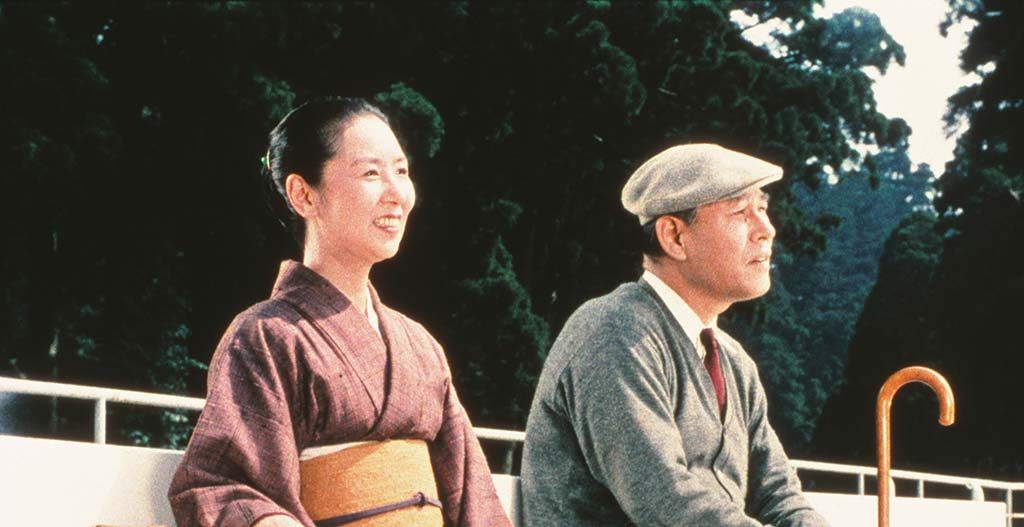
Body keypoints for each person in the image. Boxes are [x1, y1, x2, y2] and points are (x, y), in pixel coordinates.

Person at [168, 97, 510, 527]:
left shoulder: (422, 347)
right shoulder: (266, 336)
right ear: (303, 194)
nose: (396, 194)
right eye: (371, 173)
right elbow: (219, 483)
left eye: (401, 171)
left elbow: (474, 498)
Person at [520, 144, 829, 526]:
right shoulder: (613, 334)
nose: (766, 229)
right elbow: (663, 499)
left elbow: (779, 495)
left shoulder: (734, 363)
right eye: (740, 212)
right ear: (674, 237)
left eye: (762, 208)